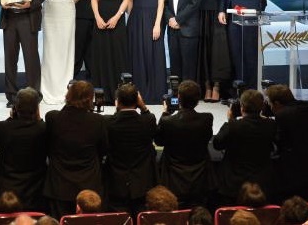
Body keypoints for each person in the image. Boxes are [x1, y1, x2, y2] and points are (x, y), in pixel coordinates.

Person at [44, 81, 107, 219]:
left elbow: (47, 145)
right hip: (89, 183)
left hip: (59, 184)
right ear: (90, 98)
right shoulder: (97, 120)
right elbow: (103, 149)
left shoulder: (53, 118)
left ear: (68, 95)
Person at [40, 0, 84, 106]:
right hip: (49, 9)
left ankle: (64, 89)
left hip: (66, 11)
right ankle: (48, 89)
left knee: (65, 49)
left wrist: (69, 3)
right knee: (50, 49)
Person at [154, 80, 213, 208]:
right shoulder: (207, 119)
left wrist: (165, 113)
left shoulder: (167, 121)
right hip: (200, 179)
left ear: (178, 98)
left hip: (173, 180)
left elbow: (158, 141)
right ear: (198, 100)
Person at [0, 87, 47, 212]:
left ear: (15, 108)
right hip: (35, 193)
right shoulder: (43, 129)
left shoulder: (3, 127)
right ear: (36, 109)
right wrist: (39, 119)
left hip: (6, 193)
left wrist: (10, 119)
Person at [213, 90, 276, 205]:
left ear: (242, 107)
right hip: (262, 185)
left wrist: (230, 121)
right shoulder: (271, 125)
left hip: (233, 186)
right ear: (262, 107)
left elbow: (217, 144)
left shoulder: (233, 125)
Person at [103, 83, 157, 216]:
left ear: (118, 102)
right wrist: (143, 107)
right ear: (137, 101)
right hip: (142, 184)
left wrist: (118, 108)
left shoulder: (108, 122)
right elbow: (149, 119)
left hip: (116, 184)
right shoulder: (148, 120)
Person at [90, 0, 130, 104]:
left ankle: (118, 95)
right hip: (100, 17)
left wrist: (117, 16)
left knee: (117, 54)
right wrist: (98, 17)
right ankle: (101, 95)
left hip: (117, 18)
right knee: (100, 55)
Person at [127, 0, 167, 104]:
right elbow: (130, 0)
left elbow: (161, 3)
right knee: (136, 54)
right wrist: (131, 18)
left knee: (153, 54)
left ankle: (155, 94)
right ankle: (137, 93)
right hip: (136, 18)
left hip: (153, 18)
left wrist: (157, 24)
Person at [265, 84, 308, 200]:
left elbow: (279, 141)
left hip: (293, 171)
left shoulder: (282, 115)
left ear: (277, 103)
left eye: (271, 104)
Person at [197, 0, 230, 102]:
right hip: (200, 14)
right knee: (202, 51)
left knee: (218, 52)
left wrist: (222, 10)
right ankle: (207, 87)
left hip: (218, 14)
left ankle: (217, 87)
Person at [164, 0, 204, 82]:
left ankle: (188, 94)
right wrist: (170, 18)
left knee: (189, 65)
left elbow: (194, 4)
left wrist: (178, 19)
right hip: (172, 28)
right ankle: (176, 94)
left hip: (189, 28)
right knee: (174, 64)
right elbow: (164, 2)